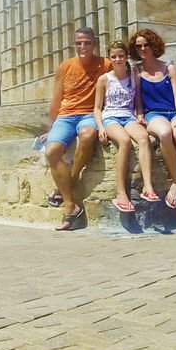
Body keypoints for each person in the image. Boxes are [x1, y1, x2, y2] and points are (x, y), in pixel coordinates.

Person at [44, 26, 110, 231]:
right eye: (79, 43)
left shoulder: (105, 64)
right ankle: (71, 205)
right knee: (52, 150)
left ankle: (69, 182)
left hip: (90, 114)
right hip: (65, 116)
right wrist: (51, 126)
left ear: (95, 44)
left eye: (87, 42)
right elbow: (57, 99)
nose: (83, 46)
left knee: (88, 134)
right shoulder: (65, 66)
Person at [130, 28, 176, 208]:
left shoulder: (169, 68)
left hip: (173, 112)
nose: (142, 49)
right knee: (165, 132)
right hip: (153, 114)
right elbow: (138, 98)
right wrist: (140, 114)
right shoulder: (136, 71)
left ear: (153, 46)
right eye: (138, 47)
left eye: (146, 45)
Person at [93, 42, 158, 212]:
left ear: (126, 56)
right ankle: (121, 193)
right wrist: (100, 127)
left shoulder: (133, 76)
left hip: (128, 116)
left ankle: (148, 187)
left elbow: (137, 100)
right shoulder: (104, 79)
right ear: (109, 58)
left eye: (121, 56)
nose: (117, 59)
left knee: (144, 138)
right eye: (113, 56)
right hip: (110, 118)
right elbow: (97, 108)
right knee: (124, 141)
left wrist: (140, 115)